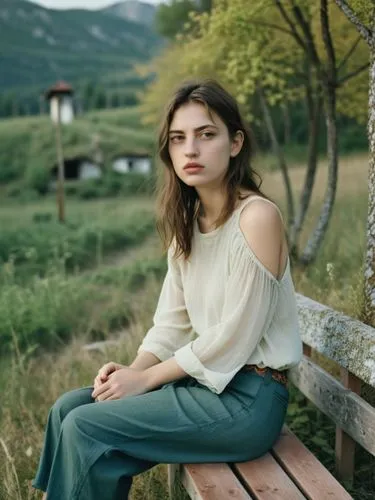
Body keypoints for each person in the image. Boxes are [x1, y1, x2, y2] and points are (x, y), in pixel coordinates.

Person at [33, 79, 302, 500]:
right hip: (206, 386)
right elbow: (169, 325)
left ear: (235, 143)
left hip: (249, 401)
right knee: (70, 408)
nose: (190, 150)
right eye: (178, 139)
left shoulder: (257, 218)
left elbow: (234, 338)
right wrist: (133, 372)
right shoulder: (186, 227)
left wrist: (149, 380)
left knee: (87, 426)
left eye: (206, 135)